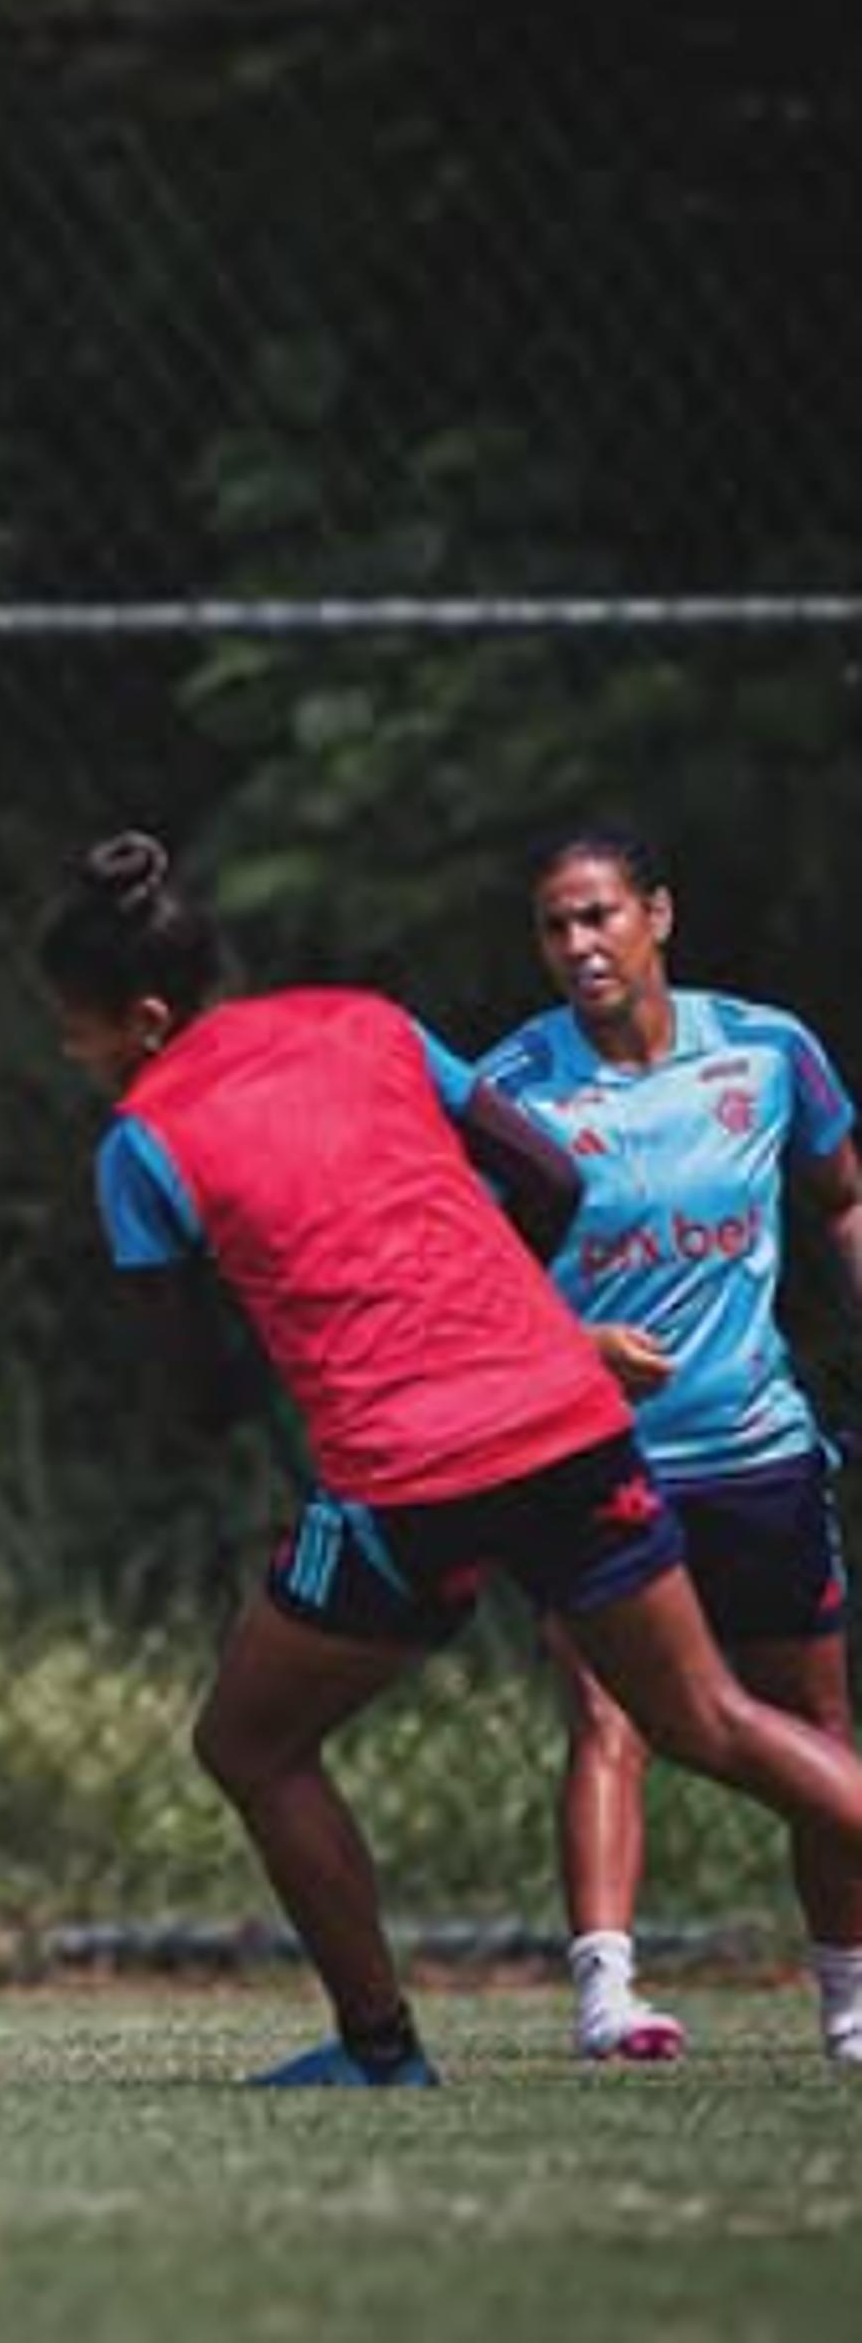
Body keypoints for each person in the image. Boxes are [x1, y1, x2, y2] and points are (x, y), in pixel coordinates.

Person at [39, 829, 862, 2086]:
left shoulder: (142, 1143)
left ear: (145, 1018)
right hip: (568, 1412)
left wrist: (311, 1329)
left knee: (249, 1745)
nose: (73, 1052)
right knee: (710, 1717)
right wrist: (499, 1308)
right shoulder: (367, 1022)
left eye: (78, 1028)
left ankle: (381, 2049)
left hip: (407, 1469)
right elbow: (547, 1181)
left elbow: (199, 1395)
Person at [465, 825, 862, 2064]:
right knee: (609, 1713)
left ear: (659, 916)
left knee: (814, 1712)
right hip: (594, 1454)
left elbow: (842, 1191)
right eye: (554, 926)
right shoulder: (511, 1087)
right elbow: (466, 1275)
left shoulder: (765, 1048)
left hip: (758, 1449)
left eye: (600, 916)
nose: (579, 945)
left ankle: (850, 2007)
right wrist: (573, 1345)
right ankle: (607, 1997)